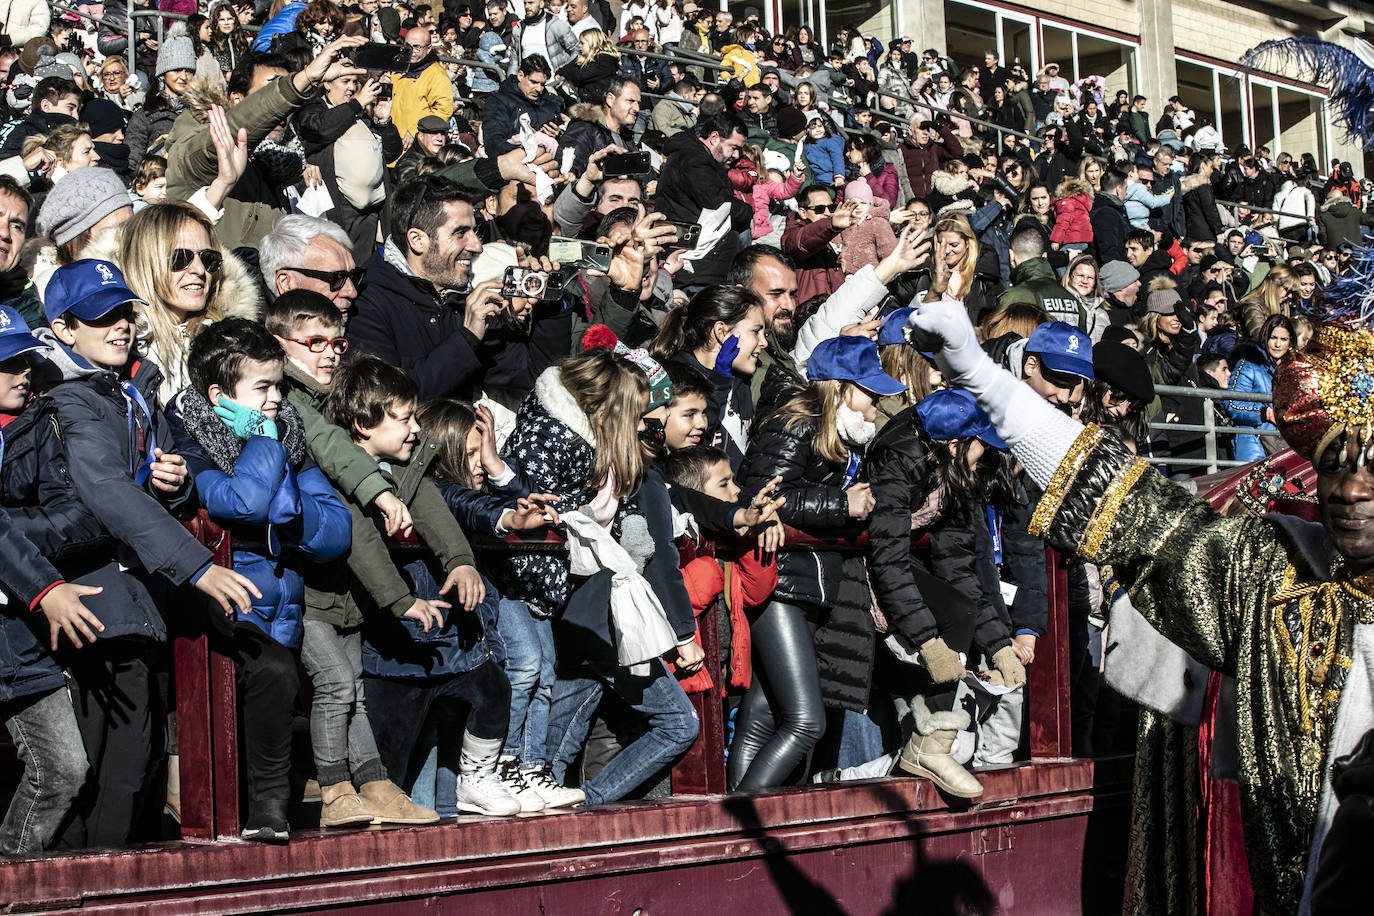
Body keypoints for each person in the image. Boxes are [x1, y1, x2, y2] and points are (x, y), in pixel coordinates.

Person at [906, 245, 1374, 912]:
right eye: (1335, 464)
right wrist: (981, 373)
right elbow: (1131, 507)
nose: (1351, 489)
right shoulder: (1277, 575)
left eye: (1372, 466)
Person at [37, 260, 260, 844]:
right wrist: (196, 567)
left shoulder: (139, 387)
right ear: (64, 330)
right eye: (100, 317)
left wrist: (177, 479)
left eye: (124, 313)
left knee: (132, 767)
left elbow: (162, 470)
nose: (119, 326)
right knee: (90, 774)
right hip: (84, 601)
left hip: (133, 600)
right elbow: (105, 491)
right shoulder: (70, 399)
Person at [170, 318, 353, 842]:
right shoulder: (194, 437)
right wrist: (267, 451)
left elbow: (334, 531)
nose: (277, 398)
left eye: (279, 385)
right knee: (272, 674)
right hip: (226, 605)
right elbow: (238, 502)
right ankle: (269, 808)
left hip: (284, 608)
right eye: (263, 388)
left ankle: (265, 809)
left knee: (276, 688)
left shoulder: (289, 435)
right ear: (218, 394)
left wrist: (290, 514)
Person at [502, 349, 701, 806]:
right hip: (572, 607)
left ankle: (573, 801)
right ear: (608, 409)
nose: (643, 423)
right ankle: (582, 801)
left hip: (600, 609)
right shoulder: (548, 439)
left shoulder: (610, 448)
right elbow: (536, 516)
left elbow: (639, 522)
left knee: (557, 734)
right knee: (678, 722)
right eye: (636, 412)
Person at [322, 355, 518, 817]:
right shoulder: (341, 476)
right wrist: (401, 600)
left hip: (426, 634)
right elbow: (361, 539)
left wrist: (462, 562)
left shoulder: (409, 465)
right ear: (362, 424)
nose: (414, 429)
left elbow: (436, 509)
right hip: (380, 639)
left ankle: (473, 781)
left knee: (492, 687)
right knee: (391, 749)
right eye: (403, 419)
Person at [731, 335, 904, 790]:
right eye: (869, 391)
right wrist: (840, 505)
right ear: (839, 387)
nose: (876, 402)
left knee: (763, 712)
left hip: (810, 583)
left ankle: (741, 811)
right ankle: (744, 819)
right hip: (781, 581)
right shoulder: (797, 423)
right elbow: (762, 496)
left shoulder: (847, 437)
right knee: (807, 722)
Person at [867, 387, 1022, 797]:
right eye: (981, 449)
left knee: (962, 607)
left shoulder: (953, 471)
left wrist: (998, 643)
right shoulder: (897, 458)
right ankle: (926, 744)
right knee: (951, 614)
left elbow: (958, 565)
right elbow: (888, 558)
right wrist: (929, 640)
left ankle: (929, 744)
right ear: (955, 445)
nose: (986, 460)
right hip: (866, 569)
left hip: (902, 566)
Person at [0, 304, 111, 855]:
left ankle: (15, 881)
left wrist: (14, 540)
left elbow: (80, 517)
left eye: (25, 356)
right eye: (6, 361)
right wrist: (44, 587)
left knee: (64, 769)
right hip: (37, 600)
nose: (23, 370)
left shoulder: (39, 422)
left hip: (18, 632)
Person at [648, 285, 766, 470]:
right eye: (756, 331)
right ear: (721, 332)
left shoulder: (742, 380)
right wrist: (719, 381)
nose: (764, 342)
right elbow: (689, 449)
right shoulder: (677, 377)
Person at [656, 112, 752, 290]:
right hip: (694, 265)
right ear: (714, 137)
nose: (737, 155)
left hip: (700, 261)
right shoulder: (694, 160)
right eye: (734, 147)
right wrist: (747, 212)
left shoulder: (696, 158)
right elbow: (720, 204)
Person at [259, 215, 360, 323]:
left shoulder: (358, 321)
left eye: (353, 275)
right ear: (286, 283)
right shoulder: (250, 338)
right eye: (336, 278)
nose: (352, 292)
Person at [1225, 313, 1292, 463]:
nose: (1278, 344)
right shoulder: (1248, 364)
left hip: (1286, 444)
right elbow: (1232, 404)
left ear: (1290, 342)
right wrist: (1265, 413)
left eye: (1283, 339)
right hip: (1254, 446)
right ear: (1265, 338)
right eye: (1273, 338)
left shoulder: (1294, 369)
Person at [994, 224, 1087, 329]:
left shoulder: (1012, 299)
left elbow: (997, 339)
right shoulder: (1075, 303)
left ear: (1011, 255)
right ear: (1044, 256)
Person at [482, 55, 562, 158]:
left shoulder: (549, 101)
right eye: (533, 82)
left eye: (542, 84)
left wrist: (559, 134)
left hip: (550, 157)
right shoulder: (499, 101)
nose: (538, 89)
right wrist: (525, 154)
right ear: (520, 75)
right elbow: (493, 141)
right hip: (516, 160)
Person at [390, 26, 452, 140]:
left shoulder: (437, 75)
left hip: (417, 141)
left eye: (417, 47)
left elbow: (443, 111)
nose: (412, 51)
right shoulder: (397, 70)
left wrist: (416, 131)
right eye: (408, 46)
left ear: (428, 49)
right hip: (392, 136)